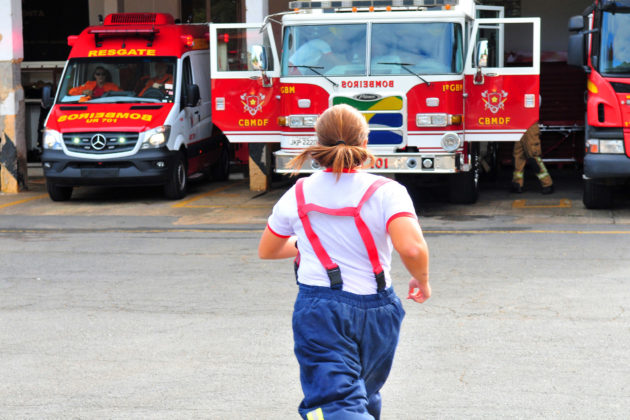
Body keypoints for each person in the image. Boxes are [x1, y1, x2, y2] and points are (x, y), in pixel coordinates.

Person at [258, 104, 431, 420]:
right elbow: (411, 248)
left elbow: (268, 249)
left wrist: (310, 242)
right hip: (379, 310)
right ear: (365, 142)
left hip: (320, 311)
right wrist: (422, 279)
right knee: (364, 394)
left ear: (318, 143)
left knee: (335, 404)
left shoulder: (299, 193)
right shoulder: (388, 192)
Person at [511, 123, 554, 194]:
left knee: (534, 157)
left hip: (530, 126)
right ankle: (517, 184)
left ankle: (547, 184)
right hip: (519, 126)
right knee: (518, 157)